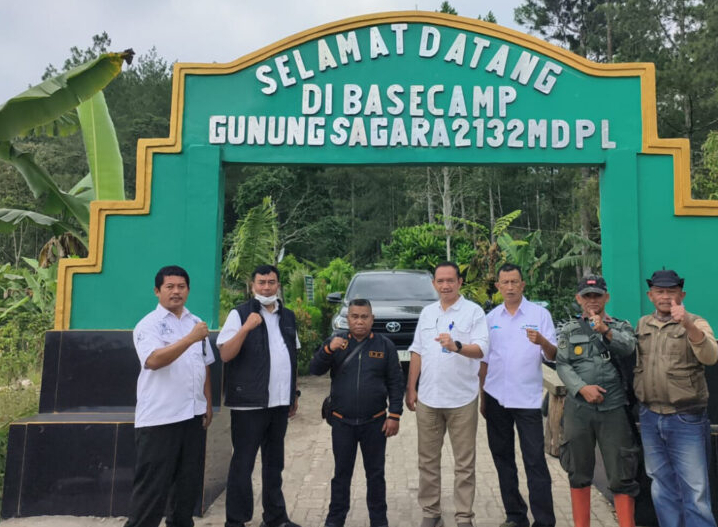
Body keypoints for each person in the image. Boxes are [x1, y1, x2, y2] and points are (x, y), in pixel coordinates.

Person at [125, 265, 214, 527]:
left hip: (192, 417)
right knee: (152, 491)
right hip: (160, 419)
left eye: (181, 287)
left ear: (188, 290)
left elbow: (204, 365)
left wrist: (207, 404)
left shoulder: (195, 322)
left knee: (187, 489)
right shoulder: (148, 325)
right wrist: (189, 339)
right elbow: (153, 360)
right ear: (157, 291)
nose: (176, 292)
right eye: (170, 287)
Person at [405, 261, 489, 527]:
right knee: (427, 461)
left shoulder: (474, 312)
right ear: (434, 284)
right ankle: (431, 513)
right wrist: (411, 388)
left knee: (464, 464)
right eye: (440, 281)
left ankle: (464, 517)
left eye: (450, 280)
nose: (445, 285)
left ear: (460, 282)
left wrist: (457, 346)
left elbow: (482, 350)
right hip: (428, 398)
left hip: (462, 399)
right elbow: (417, 351)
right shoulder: (427, 313)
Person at [217, 264, 302, 527]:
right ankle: (235, 521)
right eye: (261, 283)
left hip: (279, 403)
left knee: (274, 464)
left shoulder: (287, 317)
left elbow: (292, 357)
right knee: (243, 464)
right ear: (252, 285)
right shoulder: (240, 314)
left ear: (278, 285)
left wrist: (293, 394)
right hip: (249, 405)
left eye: (271, 282)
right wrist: (245, 328)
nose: (266, 288)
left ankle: (275, 518)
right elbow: (225, 354)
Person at [634, 270, 718, 527]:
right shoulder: (642, 324)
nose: (665, 296)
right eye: (659, 291)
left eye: (671, 291)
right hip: (650, 416)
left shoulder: (697, 322)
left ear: (682, 295)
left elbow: (710, 356)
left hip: (685, 418)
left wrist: (688, 325)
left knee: (695, 491)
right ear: (650, 296)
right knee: (662, 487)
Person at [310, 298, 404, 527]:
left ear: (372, 319)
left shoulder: (385, 346)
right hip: (342, 423)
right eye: (354, 316)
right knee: (341, 475)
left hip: (375, 423)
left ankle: (379, 521)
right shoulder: (336, 342)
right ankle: (335, 520)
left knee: (376, 475)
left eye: (364, 317)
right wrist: (327, 350)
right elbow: (314, 369)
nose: (359, 321)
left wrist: (394, 415)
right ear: (348, 319)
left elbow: (395, 382)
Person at [556, 275, 639, 527]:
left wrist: (605, 330)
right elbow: (562, 364)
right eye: (587, 296)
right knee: (578, 471)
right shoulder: (570, 330)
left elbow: (629, 348)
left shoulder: (621, 326)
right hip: (579, 409)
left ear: (606, 298)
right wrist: (582, 388)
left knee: (621, 473)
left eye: (597, 296)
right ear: (578, 299)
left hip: (613, 409)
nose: (592, 300)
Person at [480, 263, 556, 527]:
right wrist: (483, 398)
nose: (510, 287)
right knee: (503, 460)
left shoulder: (540, 315)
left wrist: (542, 342)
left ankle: (544, 521)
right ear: (498, 286)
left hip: (527, 400)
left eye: (515, 282)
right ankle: (515, 516)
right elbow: (484, 362)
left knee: (535, 460)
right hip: (496, 397)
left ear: (523, 284)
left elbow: (553, 355)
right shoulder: (491, 319)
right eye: (505, 282)